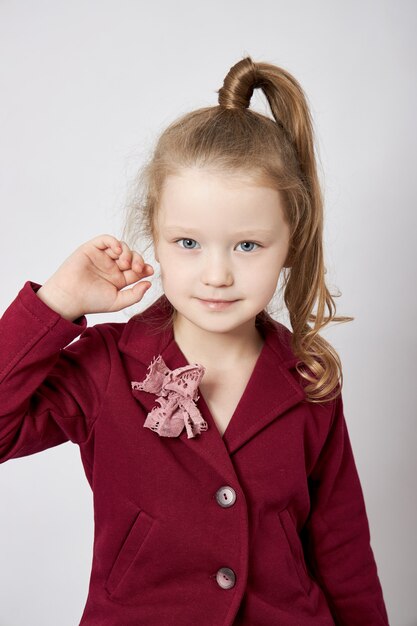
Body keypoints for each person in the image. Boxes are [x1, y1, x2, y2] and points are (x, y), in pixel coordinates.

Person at [0, 56, 389, 625]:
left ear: (290, 242)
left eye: (248, 245)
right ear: (153, 235)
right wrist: (54, 304)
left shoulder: (309, 380)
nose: (217, 274)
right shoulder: (108, 366)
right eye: (187, 242)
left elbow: (343, 551)